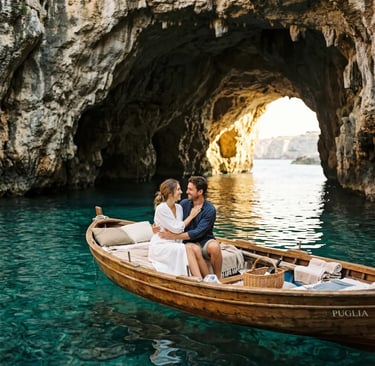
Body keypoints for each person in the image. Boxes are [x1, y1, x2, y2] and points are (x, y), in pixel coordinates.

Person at [159, 176, 223, 279]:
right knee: (192, 249)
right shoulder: (184, 204)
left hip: (203, 240)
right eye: (187, 188)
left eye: (190, 189)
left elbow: (197, 232)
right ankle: (205, 278)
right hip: (186, 242)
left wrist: (173, 236)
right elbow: (174, 221)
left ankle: (218, 278)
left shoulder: (210, 210)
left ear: (200, 192)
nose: (186, 191)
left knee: (215, 247)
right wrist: (158, 226)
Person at [148, 178, 205, 278]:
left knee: (196, 249)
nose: (181, 192)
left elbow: (179, 227)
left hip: (174, 241)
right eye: (178, 189)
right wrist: (191, 216)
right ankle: (199, 280)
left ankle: (210, 278)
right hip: (161, 245)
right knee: (188, 249)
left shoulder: (179, 208)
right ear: (170, 193)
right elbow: (177, 228)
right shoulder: (161, 208)